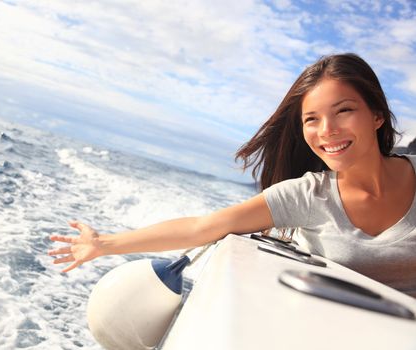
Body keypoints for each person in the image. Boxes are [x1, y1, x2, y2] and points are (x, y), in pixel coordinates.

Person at [48, 53, 416, 298]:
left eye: (344, 110)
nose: (327, 130)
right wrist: (104, 244)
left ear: (377, 116)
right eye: (312, 119)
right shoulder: (305, 196)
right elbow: (204, 227)